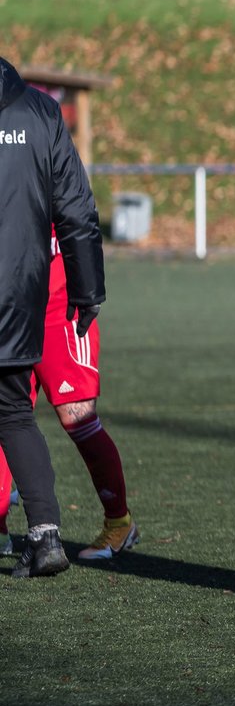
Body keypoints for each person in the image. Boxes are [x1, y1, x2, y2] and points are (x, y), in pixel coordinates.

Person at [0, 56, 106, 579]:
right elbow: (77, 209)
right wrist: (89, 291)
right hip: (22, 292)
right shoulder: (41, 113)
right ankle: (44, 537)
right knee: (15, 413)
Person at [0, 227, 136, 561]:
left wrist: (88, 291)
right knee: (4, 412)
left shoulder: (55, 172)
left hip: (59, 307)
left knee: (78, 417)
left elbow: (80, 217)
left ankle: (119, 522)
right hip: (11, 306)